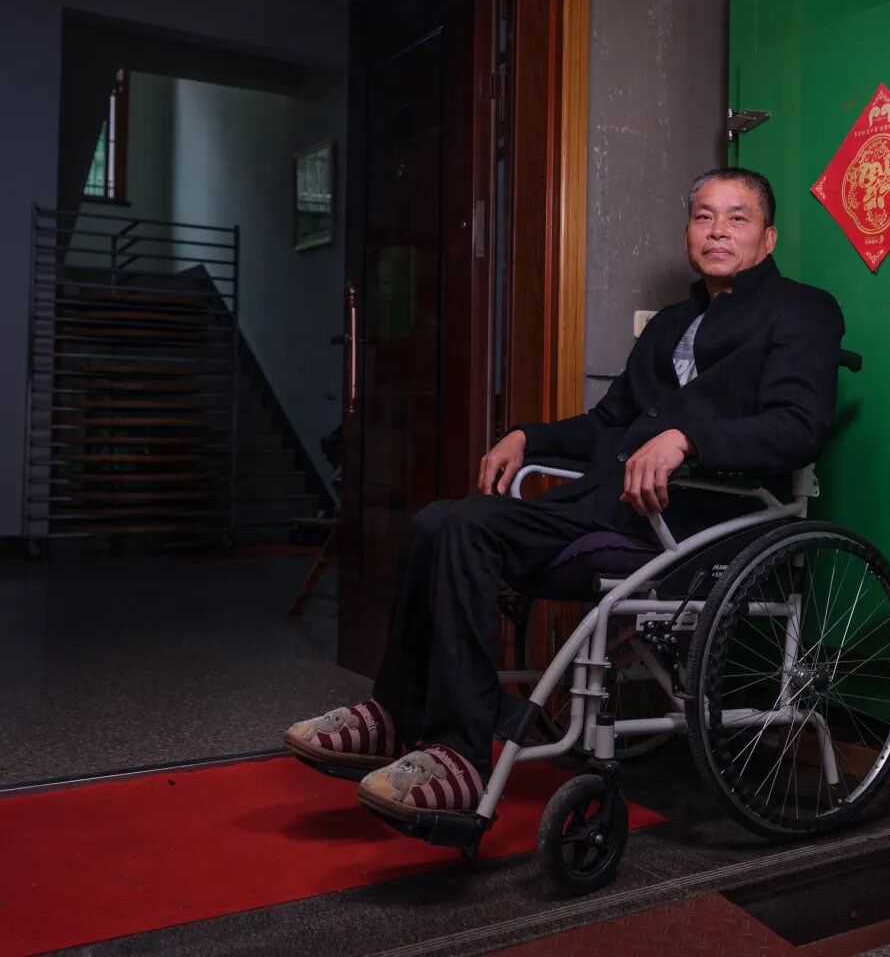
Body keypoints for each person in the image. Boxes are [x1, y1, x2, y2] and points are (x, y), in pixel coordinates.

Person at [285, 167, 845, 815]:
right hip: (607, 507)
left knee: (467, 526)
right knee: (436, 521)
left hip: (702, 522)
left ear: (768, 238)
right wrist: (527, 436)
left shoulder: (802, 310)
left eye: (737, 217)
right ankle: (393, 714)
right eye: (703, 216)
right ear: (688, 233)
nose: (718, 230)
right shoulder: (670, 325)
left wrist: (688, 439)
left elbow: (798, 428)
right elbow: (608, 423)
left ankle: (460, 755)